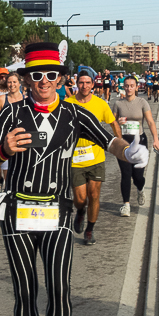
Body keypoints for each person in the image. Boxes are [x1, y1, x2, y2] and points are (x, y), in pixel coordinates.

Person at [0, 42, 148, 316]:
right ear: (25, 79)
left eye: (51, 75)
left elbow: (109, 140)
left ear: (61, 78)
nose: (43, 81)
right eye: (36, 75)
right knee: (24, 292)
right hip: (18, 212)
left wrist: (129, 151)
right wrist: (3, 152)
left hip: (57, 211)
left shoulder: (74, 114)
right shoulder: (9, 114)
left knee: (58, 290)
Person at [68, 70, 121, 244]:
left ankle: (90, 230)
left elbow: (112, 122)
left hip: (96, 155)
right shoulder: (68, 104)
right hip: (75, 157)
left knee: (94, 195)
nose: (84, 86)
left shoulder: (100, 104)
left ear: (93, 84)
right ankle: (81, 211)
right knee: (80, 198)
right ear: (77, 84)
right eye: (81, 82)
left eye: (87, 83)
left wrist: (120, 145)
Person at [111, 75, 159, 215]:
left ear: (136, 87)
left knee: (137, 175)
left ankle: (140, 189)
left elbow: (150, 122)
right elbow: (112, 122)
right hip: (123, 142)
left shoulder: (142, 102)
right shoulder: (118, 104)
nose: (129, 88)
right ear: (124, 87)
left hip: (140, 141)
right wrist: (117, 124)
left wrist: (156, 140)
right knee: (125, 174)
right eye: (126, 85)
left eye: (131, 85)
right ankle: (126, 205)